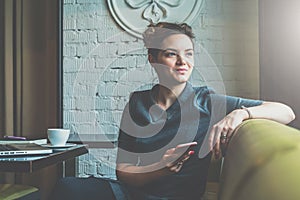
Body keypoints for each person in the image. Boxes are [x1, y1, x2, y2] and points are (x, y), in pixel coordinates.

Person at [51, 22, 295, 200]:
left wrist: (239, 113)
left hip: (177, 197)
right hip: (131, 193)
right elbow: (123, 172)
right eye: (171, 54)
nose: (183, 62)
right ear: (153, 58)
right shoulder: (137, 103)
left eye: (188, 54)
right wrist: (160, 167)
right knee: (66, 187)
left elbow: (286, 111)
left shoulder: (207, 101)